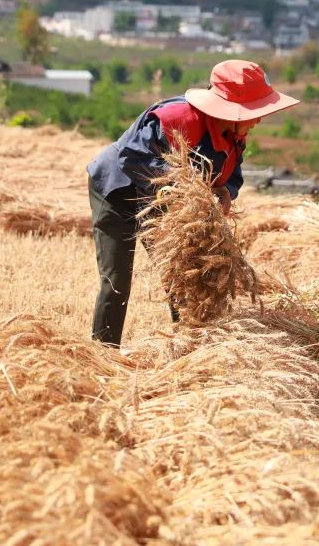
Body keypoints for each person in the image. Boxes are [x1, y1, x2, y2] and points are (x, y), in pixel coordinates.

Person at [86, 59, 300, 347]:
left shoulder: (235, 136)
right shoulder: (175, 119)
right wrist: (187, 189)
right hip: (118, 189)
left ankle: (190, 347)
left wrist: (225, 191)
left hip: (167, 203)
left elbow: (232, 176)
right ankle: (103, 353)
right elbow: (133, 158)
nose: (259, 119)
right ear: (231, 110)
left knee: (182, 277)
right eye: (254, 111)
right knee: (117, 280)